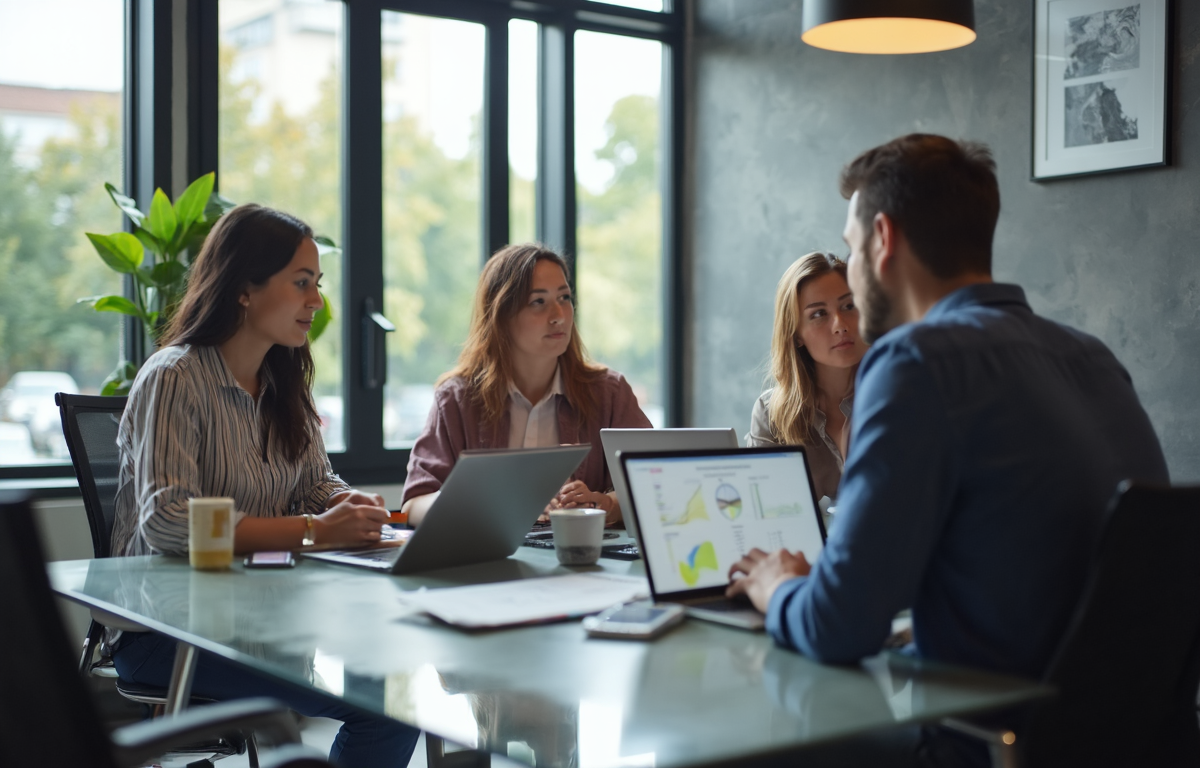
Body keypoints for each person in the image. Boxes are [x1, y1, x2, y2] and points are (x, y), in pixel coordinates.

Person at [727, 135, 1168, 766]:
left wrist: (778, 586)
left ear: (883, 240)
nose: (851, 271)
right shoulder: (1092, 357)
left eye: (851, 249)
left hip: (988, 742)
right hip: (1124, 737)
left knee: (758, 741)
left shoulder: (914, 362)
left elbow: (839, 626)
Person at [108, 204, 419, 768]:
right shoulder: (174, 377)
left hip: (265, 617)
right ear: (244, 289)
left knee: (401, 677)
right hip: (170, 631)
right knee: (386, 708)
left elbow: (317, 482)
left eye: (318, 285)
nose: (318, 302)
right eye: (302, 284)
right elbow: (169, 520)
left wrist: (344, 503)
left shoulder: (284, 383)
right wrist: (313, 531)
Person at [402, 243, 652, 528]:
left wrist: (607, 505)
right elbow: (412, 507)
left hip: (580, 561)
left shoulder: (609, 393)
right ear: (501, 315)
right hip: (490, 563)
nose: (559, 314)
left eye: (565, 297)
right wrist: (471, 496)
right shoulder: (457, 398)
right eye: (539, 302)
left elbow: (652, 483)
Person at [746, 252, 868, 503]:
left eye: (849, 306)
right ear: (796, 335)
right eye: (818, 314)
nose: (840, 325)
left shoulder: (897, 396)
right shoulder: (772, 416)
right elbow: (763, 510)